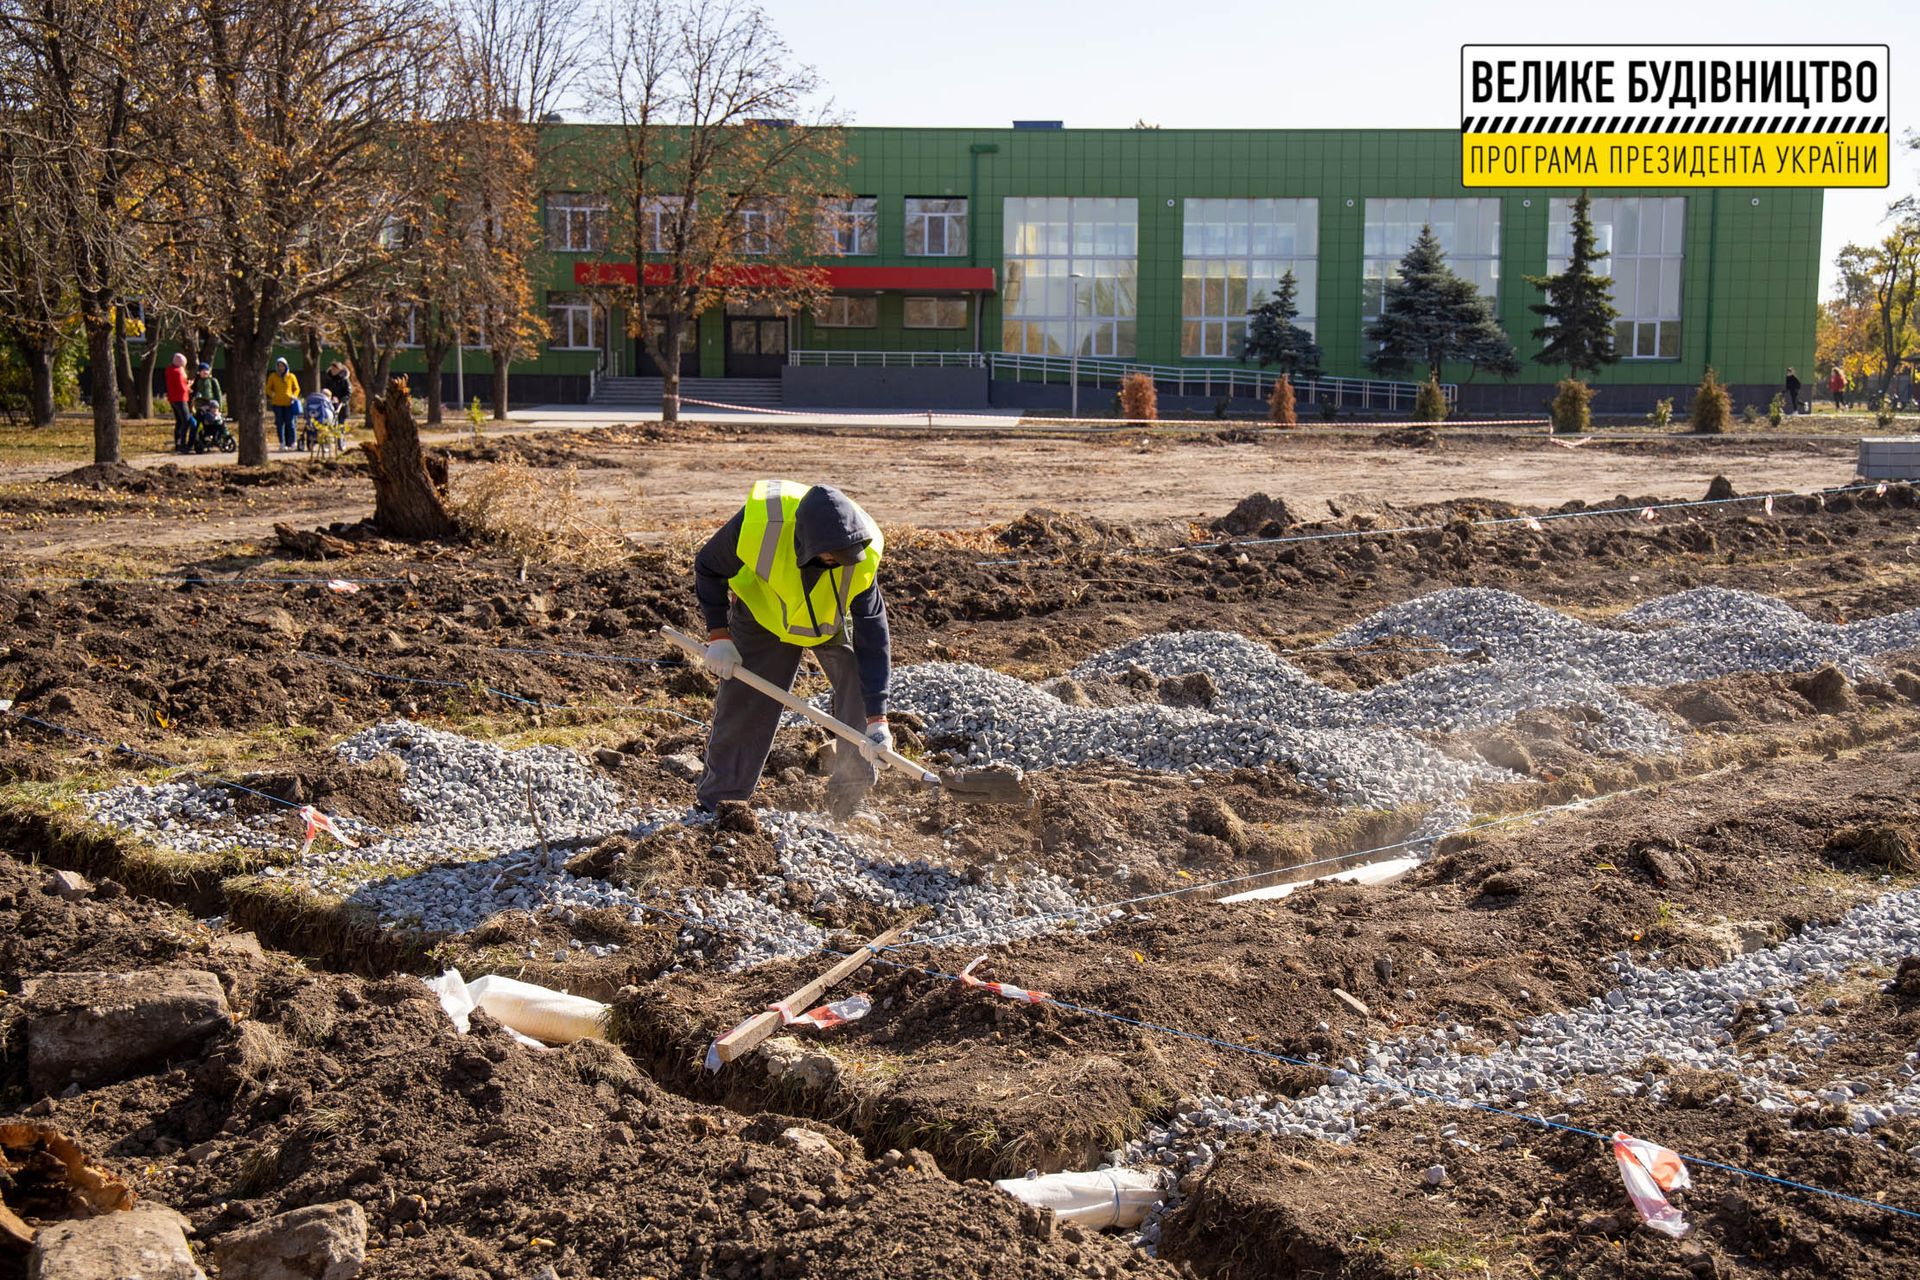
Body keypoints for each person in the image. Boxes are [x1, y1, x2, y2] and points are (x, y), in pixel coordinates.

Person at [691, 480, 890, 820]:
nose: (840, 564)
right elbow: (708, 566)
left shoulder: (863, 552)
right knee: (745, 701)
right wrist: (719, 636)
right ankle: (721, 804)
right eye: (831, 559)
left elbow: (873, 636)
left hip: (828, 616)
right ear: (808, 546)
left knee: (858, 680)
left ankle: (851, 797)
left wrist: (878, 719)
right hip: (764, 613)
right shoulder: (759, 525)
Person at [266, 358, 301, 450]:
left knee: (291, 423)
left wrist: (294, 395)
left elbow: (297, 388)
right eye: (279, 366)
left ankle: (293, 442)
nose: (281, 368)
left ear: (286, 366)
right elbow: (268, 388)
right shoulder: (273, 376)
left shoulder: (291, 376)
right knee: (280, 424)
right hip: (277, 404)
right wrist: (272, 394)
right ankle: (282, 443)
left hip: (289, 403)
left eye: (282, 366)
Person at [164, 353, 193, 452]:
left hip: (173, 399)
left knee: (179, 421)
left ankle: (178, 442)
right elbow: (182, 388)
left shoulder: (169, 370)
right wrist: (189, 385)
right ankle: (183, 443)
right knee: (186, 421)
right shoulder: (178, 372)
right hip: (180, 398)